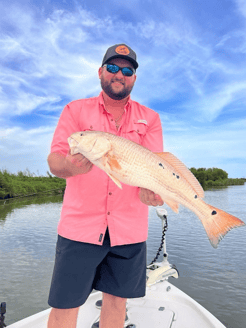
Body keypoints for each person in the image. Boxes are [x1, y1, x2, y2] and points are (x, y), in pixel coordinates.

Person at [47, 43, 164, 328]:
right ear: (100, 72)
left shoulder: (150, 119)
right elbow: (55, 160)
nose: (119, 74)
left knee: (116, 302)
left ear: (134, 78)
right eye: (112, 68)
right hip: (80, 228)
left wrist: (154, 192)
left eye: (127, 70)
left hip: (129, 229)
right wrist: (70, 166)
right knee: (66, 304)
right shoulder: (75, 110)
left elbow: (154, 169)